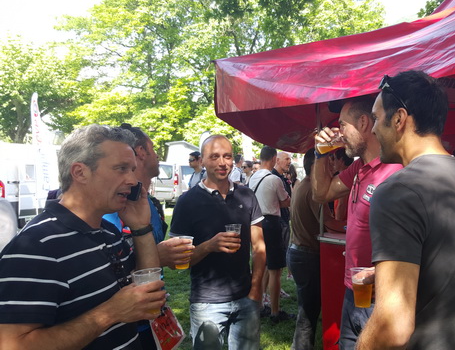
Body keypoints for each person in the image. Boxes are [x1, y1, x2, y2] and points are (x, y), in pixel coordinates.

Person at [356, 70, 455, 350]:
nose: (373, 129)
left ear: (399, 119)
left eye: (376, 118)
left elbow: (393, 328)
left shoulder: (397, 191)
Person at [0, 124, 166, 349]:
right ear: (79, 172)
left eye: (132, 169)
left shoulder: (108, 232)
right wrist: (110, 313)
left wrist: (140, 227)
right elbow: (12, 344)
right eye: (121, 168)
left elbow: (145, 286)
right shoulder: (35, 247)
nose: (132, 180)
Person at [313, 95, 403, 350]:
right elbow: (321, 194)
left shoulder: (397, 170)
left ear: (364, 123)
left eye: (342, 125)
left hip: (383, 295)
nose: (338, 133)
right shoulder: (359, 168)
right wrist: (320, 153)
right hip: (353, 289)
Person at [170, 135, 266, 349]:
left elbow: (259, 247)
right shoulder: (187, 202)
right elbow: (177, 261)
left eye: (227, 156)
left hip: (245, 297)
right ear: (202, 160)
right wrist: (209, 246)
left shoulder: (246, 195)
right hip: (206, 302)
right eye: (214, 157)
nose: (222, 162)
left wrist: (256, 289)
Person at [105, 123, 194, 348]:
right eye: (153, 149)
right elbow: (104, 273)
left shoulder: (151, 204)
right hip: (125, 325)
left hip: (154, 316)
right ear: (142, 152)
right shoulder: (112, 207)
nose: (156, 155)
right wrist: (158, 256)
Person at [287, 149, 346, 350]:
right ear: (314, 166)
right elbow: (330, 223)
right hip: (306, 255)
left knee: (308, 309)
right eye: (326, 162)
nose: (331, 166)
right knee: (308, 313)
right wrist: (355, 226)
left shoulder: (303, 185)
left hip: (298, 252)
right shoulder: (313, 189)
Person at [248, 146, 293, 322]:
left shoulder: (252, 178)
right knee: (275, 270)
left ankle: (259, 305)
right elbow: (286, 201)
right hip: (272, 223)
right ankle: (275, 312)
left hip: (255, 223)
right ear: (274, 158)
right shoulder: (274, 179)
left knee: (260, 266)